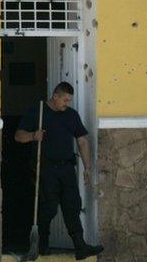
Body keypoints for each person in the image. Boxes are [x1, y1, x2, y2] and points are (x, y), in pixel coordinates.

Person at [15, 82, 103, 260]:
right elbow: (18, 136)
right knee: (49, 207)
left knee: (72, 205)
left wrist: (87, 167)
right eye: (65, 100)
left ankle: (80, 247)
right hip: (46, 168)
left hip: (67, 168)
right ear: (55, 96)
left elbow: (82, 141)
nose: (67, 104)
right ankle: (43, 245)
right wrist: (33, 136)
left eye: (69, 100)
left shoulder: (71, 115)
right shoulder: (37, 111)